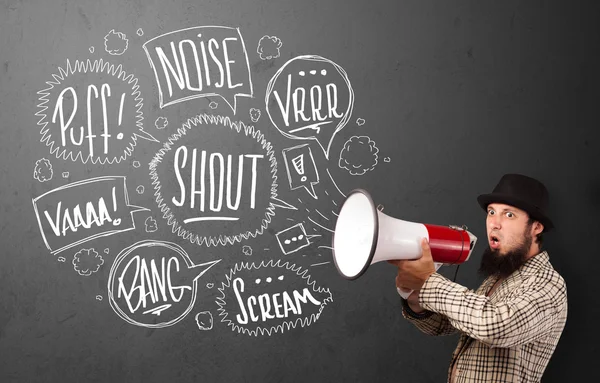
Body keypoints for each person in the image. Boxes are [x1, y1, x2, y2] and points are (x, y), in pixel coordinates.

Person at [389, 173, 568, 383]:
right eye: (491, 212)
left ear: (536, 227)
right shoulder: (497, 279)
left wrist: (428, 281)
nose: (494, 223)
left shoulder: (548, 283)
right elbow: (446, 325)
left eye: (509, 215)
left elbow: (494, 327)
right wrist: (416, 297)